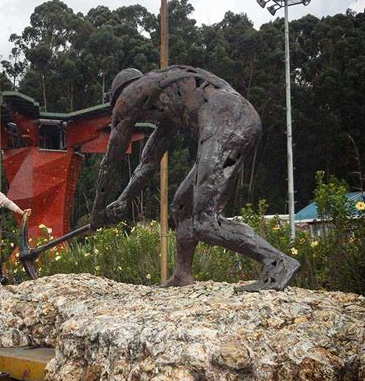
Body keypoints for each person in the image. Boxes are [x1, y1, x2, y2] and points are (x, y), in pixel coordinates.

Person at [91, 65, 300, 292]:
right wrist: (124, 199)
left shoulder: (130, 94)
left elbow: (111, 161)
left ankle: (277, 262)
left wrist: (98, 211)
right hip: (239, 117)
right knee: (182, 205)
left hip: (225, 119)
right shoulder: (165, 98)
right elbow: (148, 162)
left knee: (205, 222)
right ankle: (183, 274)